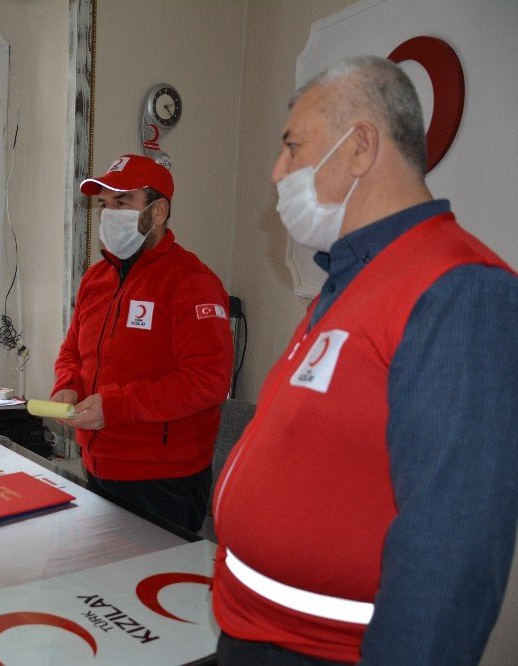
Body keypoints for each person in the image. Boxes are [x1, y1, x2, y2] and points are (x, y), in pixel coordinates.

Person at [212, 56, 518, 665]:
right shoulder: (351, 281)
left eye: (293, 147)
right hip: (253, 635)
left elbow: (449, 557)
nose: (278, 171)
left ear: (359, 148)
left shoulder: (460, 290)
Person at [51, 154, 234, 533]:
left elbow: (208, 381)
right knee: (100, 589)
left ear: (158, 211)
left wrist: (117, 406)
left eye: (123, 202)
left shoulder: (191, 282)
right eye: (105, 204)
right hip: (99, 464)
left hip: (164, 480)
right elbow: (73, 351)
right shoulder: (96, 278)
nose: (109, 213)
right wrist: (67, 386)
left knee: (146, 589)